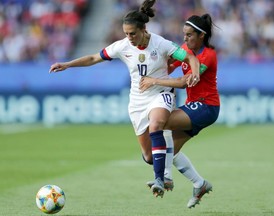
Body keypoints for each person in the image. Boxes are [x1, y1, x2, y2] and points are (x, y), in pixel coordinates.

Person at [49, 0, 200, 198]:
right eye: (126, 33)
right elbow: (95, 58)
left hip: (160, 93)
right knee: (149, 156)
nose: (129, 37)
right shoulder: (122, 46)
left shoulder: (161, 43)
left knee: (156, 125)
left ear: (144, 29)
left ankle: (160, 180)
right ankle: (192, 178)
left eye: (132, 33)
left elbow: (189, 57)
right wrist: (68, 64)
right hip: (137, 101)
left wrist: (195, 72)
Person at [140, 13, 220, 208]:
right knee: (168, 152)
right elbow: (168, 66)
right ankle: (199, 184)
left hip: (206, 106)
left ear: (201, 35)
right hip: (194, 106)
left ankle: (165, 177)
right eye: (184, 34)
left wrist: (154, 81)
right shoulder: (185, 49)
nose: (185, 39)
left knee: (160, 121)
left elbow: (185, 82)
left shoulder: (208, 55)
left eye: (190, 35)